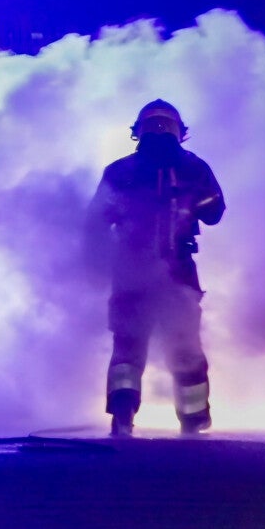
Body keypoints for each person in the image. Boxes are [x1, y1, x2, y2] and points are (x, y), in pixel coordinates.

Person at [85, 100, 226, 436]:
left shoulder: (120, 171)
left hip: (130, 272)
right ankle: (192, 421)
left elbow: (96, 221)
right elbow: (215, 212)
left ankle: (122, 416)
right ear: (180, 131)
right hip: (178, 270)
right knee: (185, 345)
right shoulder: (195, 168)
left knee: (128, 347)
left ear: (139, 131)